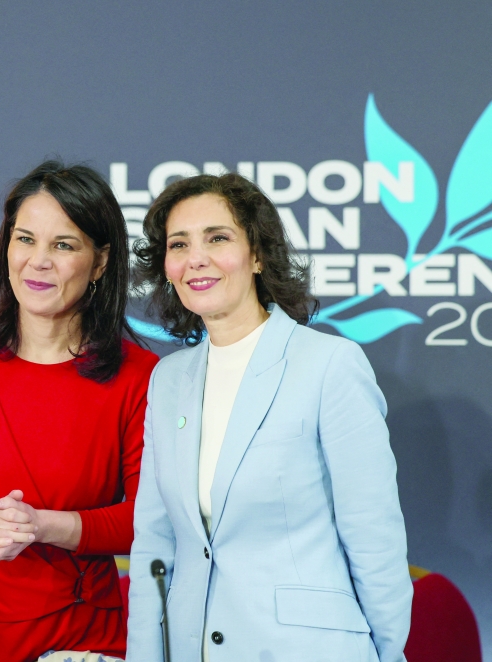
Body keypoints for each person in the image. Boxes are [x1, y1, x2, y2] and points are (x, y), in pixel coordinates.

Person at [126, 173, 412, 662]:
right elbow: (155, 542)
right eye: (180, 244)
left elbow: (373, 536)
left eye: (217, 238)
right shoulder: (168, 380)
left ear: (257, 255)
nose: (196, 258)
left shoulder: (329, 365)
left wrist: (386, 655)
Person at [0, 160, 159, 661]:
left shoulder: (139, 374)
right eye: (25, 240)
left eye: (63, 245)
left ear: (101, 261)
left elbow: (144, 518)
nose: (38, 261)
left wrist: (42, 526)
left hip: (83, 629)